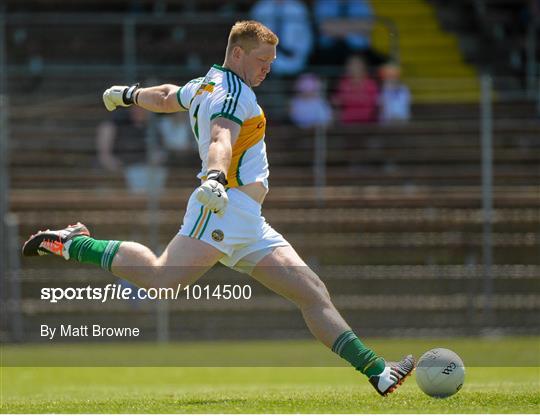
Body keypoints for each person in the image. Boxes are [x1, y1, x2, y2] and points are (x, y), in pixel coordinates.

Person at [22, 20, 414, 396]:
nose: (267, 69)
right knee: (161, 278)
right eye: (262, 61)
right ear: (238, 53)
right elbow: (220, 137)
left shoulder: (206, 82)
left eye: (272, 63)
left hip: (248, 220)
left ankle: (377, 372)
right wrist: (214, 177)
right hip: (223, 207)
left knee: (312, 292)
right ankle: (72, 243)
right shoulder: (233, 93)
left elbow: (165, 96)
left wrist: (128, 94)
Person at [96, 104, 168, 194]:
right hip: (123, 169)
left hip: (147, 168)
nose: (139, 111)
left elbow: (161, 151)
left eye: (143, 109)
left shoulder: (152, 126)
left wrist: (158, 157)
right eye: (137, 108)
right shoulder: (116, 122)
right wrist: (111, 162)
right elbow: (105, 155)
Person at [313, 0, 385, 67]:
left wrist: (336, 26)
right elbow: (324, 27)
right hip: (328, 50)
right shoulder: (324, 2)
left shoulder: (360, 3)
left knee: (383, 63)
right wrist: (354, 26)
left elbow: (367, 26)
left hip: (358, 50)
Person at [251, 0, 313, 76]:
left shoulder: (298, 8)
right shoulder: (261, 8)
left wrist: (300, 54)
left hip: (294, 58)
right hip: (265, 60)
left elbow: (305, 36)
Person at [333, 54, 379, 124]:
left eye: (357, 65)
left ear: (363, 67)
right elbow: (337, 100)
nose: (354, 68)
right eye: (351, 65)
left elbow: (374, 102)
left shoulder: (371, 83)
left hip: (368, 121)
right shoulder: (343, 83)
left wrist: (350, 98)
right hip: (347, 121)